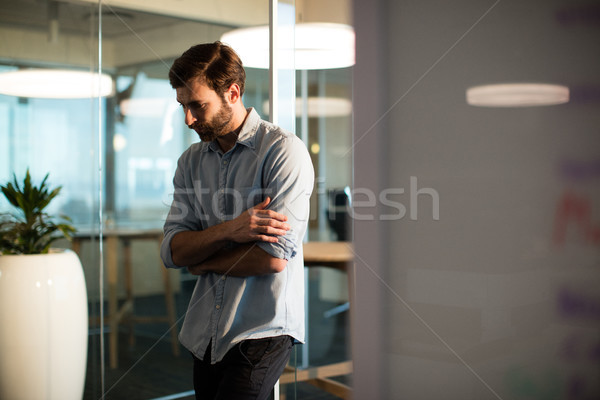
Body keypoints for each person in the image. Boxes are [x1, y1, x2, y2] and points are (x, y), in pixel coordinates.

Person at [160, 41, 314, 400]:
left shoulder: (281, 151)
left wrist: (204, 261)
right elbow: (173, 251)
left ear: (233, 93)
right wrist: (232, 229)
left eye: (198, 105)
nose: (188, 119)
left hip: (262, 329)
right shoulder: (190, 162)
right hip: (205, 332)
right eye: (183, 106)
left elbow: (271, 257)